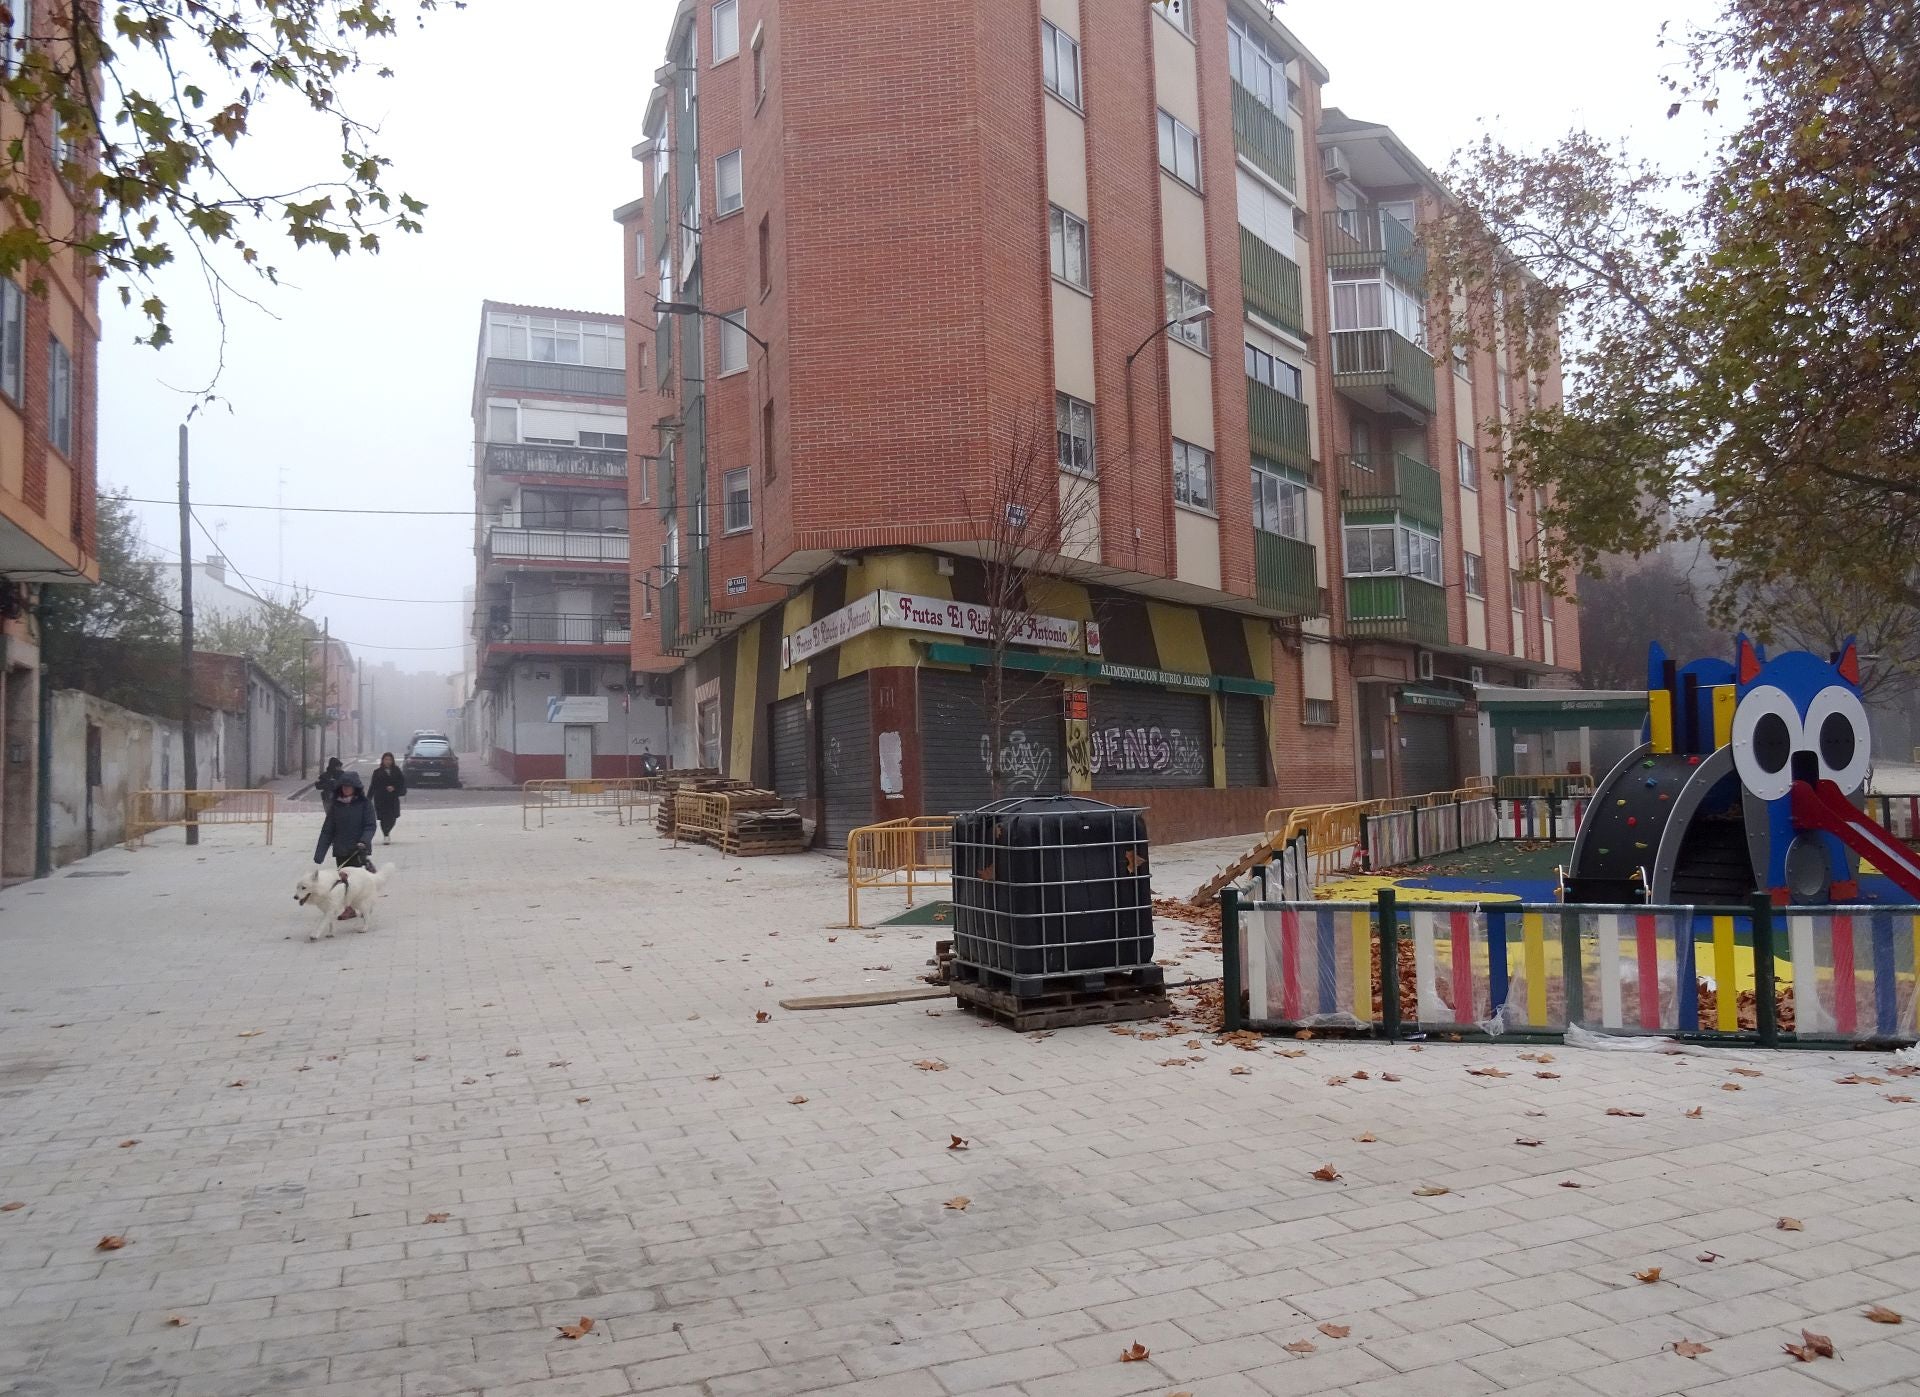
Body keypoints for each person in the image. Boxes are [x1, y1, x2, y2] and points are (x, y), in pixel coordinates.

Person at [314, 771, 378, 918]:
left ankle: (364, 905)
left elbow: (370, 825)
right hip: (341, 849)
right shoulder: (336, 806)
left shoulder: (364, 804)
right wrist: (319, 854)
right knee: (344, 881)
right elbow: (327, 830)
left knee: (357, 882)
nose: (346, 789)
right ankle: (349, 909)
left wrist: (364, 841)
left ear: (355, 787)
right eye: (343, 786)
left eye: (349, 786)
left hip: (358, 849)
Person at [370, 752, 407, 844]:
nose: (388, 761)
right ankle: (386, 834)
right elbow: (373, 786)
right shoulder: (377, 772)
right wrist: (368, 798)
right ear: (382, 760)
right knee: (383, 818)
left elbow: (401, 783)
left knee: (393, 817)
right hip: (381, 798)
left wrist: (394, 788)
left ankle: (388, 830)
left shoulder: (397, 771)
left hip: (393, 798)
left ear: (392, 761)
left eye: (389, 760)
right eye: (386, 759)